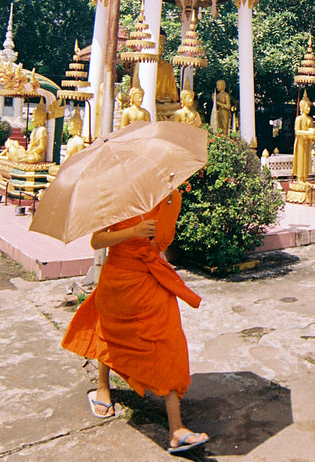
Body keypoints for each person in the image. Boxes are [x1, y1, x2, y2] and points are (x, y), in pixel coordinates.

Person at [60, 190, 209, 454]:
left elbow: (162, 243)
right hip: (118, 278)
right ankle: (103, 387)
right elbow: (97, 241)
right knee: (109, 332)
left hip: (151, 278)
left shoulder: (172, 196)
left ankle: (176, 429)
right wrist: (133, 231)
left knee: (168, 340)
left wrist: (167, 207)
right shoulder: (115, 195)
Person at [292, 94, 315, 183]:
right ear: (302, 107)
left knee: (306, 159)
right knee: (300, 158)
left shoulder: (310, 119)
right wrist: (308, 133)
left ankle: (305, 177)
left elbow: (312, 131)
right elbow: (297, 132)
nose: (309, 109)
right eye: (307, 106)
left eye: (309, 107)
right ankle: (299, 178)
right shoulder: (299, 119)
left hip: (307, 142)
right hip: (300, 142)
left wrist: (314, 136)